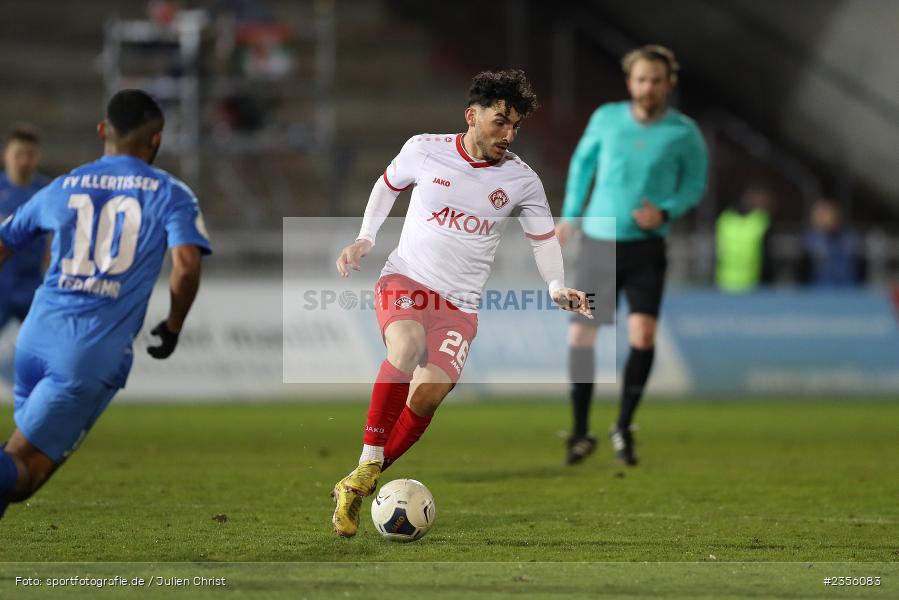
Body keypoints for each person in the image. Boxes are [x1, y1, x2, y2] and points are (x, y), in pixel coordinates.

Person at [330, 69, 592, 537]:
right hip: (407, 278)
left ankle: (355, 483)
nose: (508, 135)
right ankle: (369, 463)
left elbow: (543, 239)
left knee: (427, 396)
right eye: (500, 122)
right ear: (472, 116)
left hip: (460, 306)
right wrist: (365, 237)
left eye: (515, 127)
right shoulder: (424, 149)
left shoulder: (521, 180)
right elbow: (387, 185)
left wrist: (557, 286)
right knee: (406, 346)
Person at [0, 90, 211, 519]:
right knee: (23, 473)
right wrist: (173, 325)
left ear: (103, 131)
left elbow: (4, 240)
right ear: (156, 140)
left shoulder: (64, 185)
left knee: (14, 454)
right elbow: (187, 265)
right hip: (86, 355)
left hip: (35, 337)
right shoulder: (171, 194)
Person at [556, 45, 708, 467]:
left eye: (656, 80)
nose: (648, 87)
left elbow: (694, 184)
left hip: (646, 247)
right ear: (630, 82)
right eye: (641, 79)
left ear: (669, 84)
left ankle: (623, 426)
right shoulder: (606, 118)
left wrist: (667, 210)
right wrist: (570, 214)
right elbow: (582, 165)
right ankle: (580, 433)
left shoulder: (684, 132)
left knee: (642, 337)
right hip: (599, 244)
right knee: (580, 337)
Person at [0, 125, 51, 385]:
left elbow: (56, 237)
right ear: (5, 155)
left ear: (37, 156)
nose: (24, 160)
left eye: (30, 154)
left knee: (48, 352)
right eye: (18, 153)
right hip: (1, 285)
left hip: (33, 286)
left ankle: (43, 403)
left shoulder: (46, 192)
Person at [715, 186, 775, 293]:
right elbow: (768, 256)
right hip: (750, 282)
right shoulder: (761, 221)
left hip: (726, 280)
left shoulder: (724, 218)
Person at [797, 198, 865, 287]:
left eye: (827, 214)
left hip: (849, 288)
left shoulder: (849, 236)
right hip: (818, 289)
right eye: (820, 215)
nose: (825, 218)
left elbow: (861, 266)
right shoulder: (809, 239)